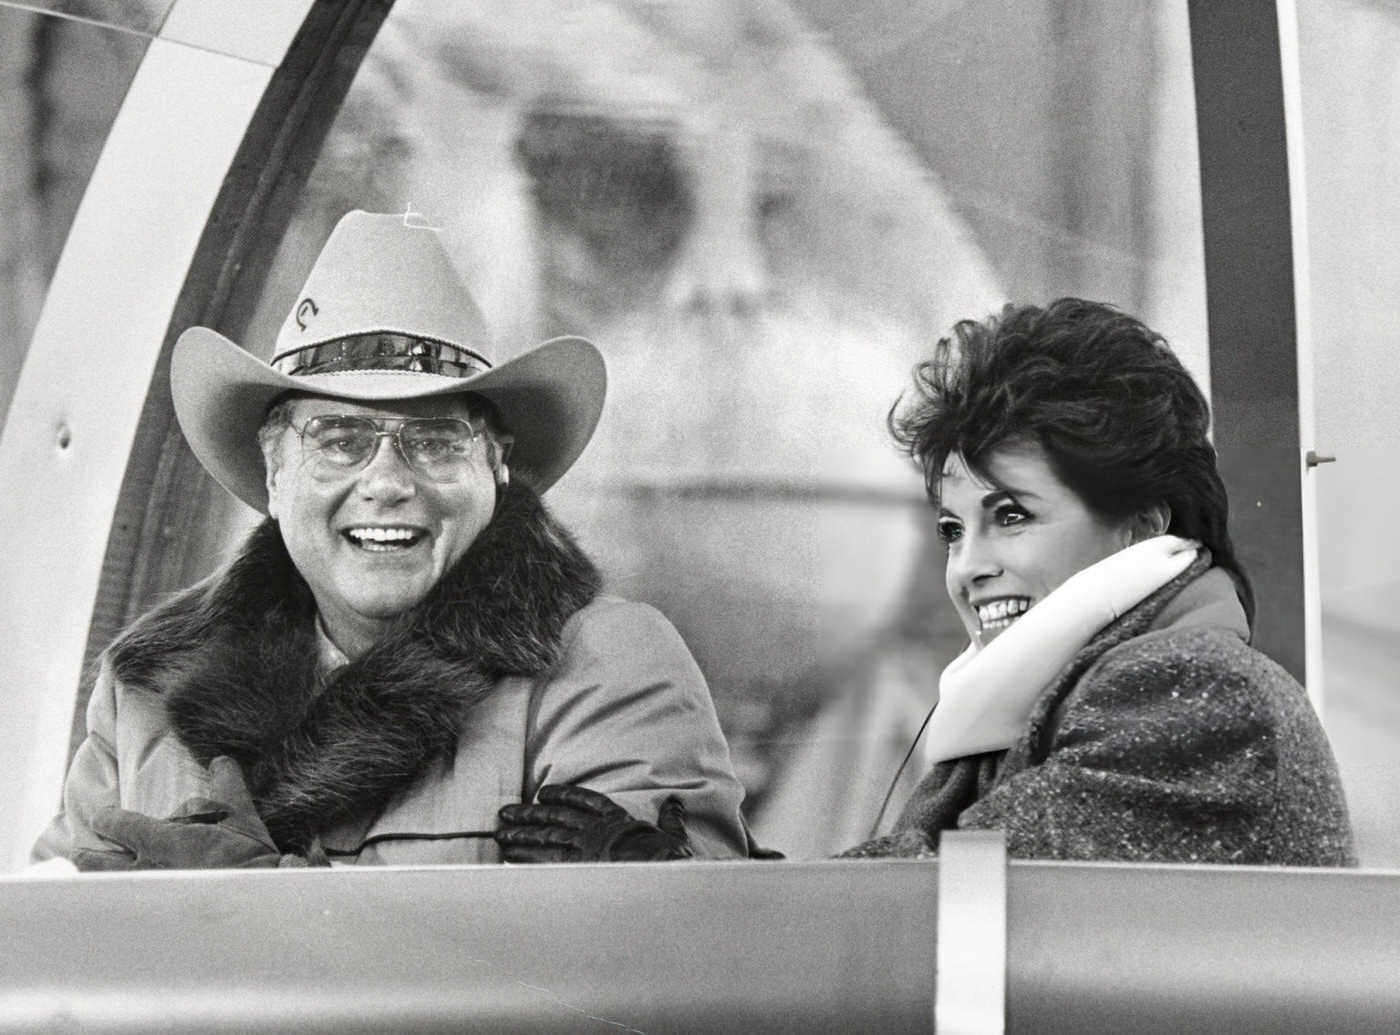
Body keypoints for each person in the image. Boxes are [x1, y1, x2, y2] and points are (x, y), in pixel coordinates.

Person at [498, 298, 1356, 867]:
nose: (971, 566)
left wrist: (670, 881)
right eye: (952, 529)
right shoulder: (1027, 715)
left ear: (1145, 524)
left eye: (1012, 516)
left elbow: (937, 914)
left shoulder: (1191, 690)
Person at [32, 209, 749, 869]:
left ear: (496, 467)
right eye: (340, 439)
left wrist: (246, 913)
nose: (386, 482)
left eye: (434, 441)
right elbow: (44, 967)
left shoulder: (606, 668)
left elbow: (678, 972)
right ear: (275, 474)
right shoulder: (143, 695)